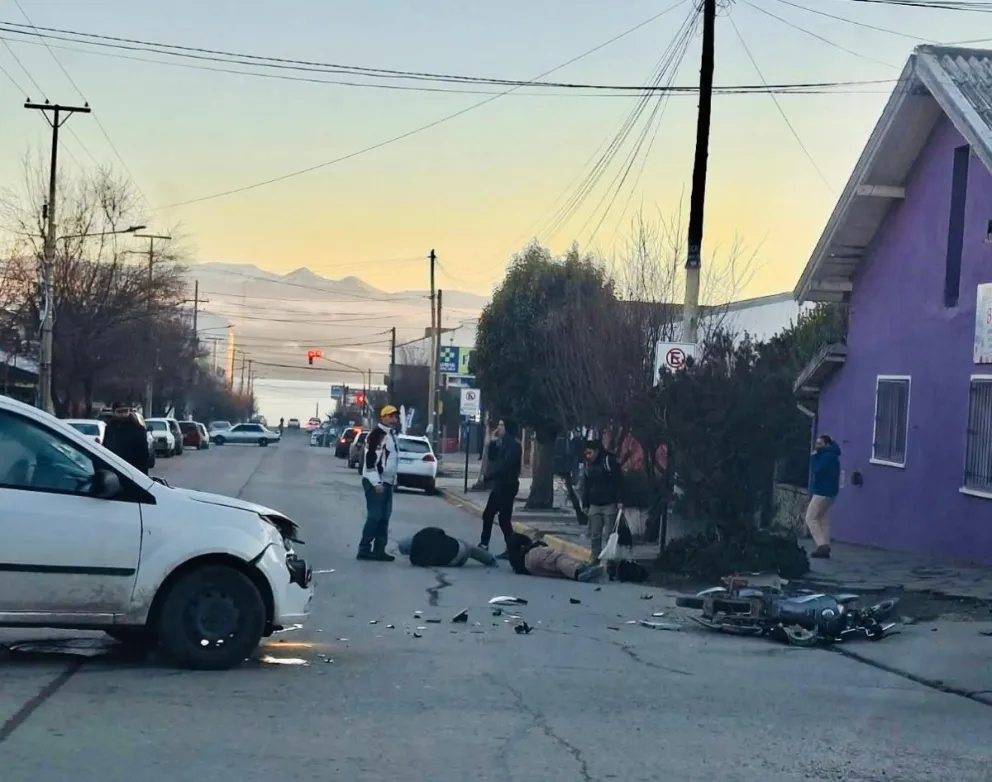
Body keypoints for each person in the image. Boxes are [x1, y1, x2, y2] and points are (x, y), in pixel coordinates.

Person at [357, 404, 401, 562]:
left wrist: (393, 480)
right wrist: (376, 482)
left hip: (387, 482)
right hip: (375, 482)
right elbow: (370, 460)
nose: (393, 419)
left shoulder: (392, 435)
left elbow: (392, 459)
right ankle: (364, 549)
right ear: (383, 417)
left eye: (395, 416)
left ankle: (379, 550)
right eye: (390, 416)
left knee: (384, 518)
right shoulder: (376, 434)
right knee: (375, 517)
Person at [480, 417, 522, 558]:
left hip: (507, 486)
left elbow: (506, 466)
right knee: (497, 517)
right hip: (500, 485)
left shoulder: (514, 445)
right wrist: (491, 442)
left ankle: (507, 548)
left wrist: (489, 476)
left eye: (502, 425)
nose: (499, 428)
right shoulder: (503, 443)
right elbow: (493, 458)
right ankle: (507, 548)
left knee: (498, 517)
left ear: (508, 428)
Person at [581, 439, 623, 562]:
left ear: (596, 451)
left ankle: (609, 559)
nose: (588, 456)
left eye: (590, 453)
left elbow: (618, 481)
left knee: (609, 534)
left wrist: (620, 500)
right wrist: (585, 504)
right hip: (594, 504)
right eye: (586, 453)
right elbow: (586, 486)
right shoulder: (588, 465)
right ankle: (595, 558)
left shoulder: (609, 461)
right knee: (595, 534)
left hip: (609, 503)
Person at [506, 532, 605, 582]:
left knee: (555, 569)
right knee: (557, 559)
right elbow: (528, 541)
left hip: (530, 567)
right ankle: (579, 570)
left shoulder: (516, 561)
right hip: (533, 554)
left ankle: (581, 572)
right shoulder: (528, 547)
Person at [806, 434, 841, 559]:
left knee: (810, 518)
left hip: (822, 492)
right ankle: (825, 547)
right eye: (817, 443)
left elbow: (816, 470)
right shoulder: (833, 455)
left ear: (827, 444)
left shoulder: (825, 456)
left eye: (820, 443)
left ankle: (822, 546)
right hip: (831, 493)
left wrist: (814, 457)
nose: (817, 446)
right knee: (822, 519)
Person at [397, 526, 498, 568]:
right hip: (458, 549)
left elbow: (425, 563)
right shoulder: (424, 533)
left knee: (464, 549)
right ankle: (491, 560)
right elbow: (440, 531)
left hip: (453, 562)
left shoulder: (415, 559)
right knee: (469, 548)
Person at [102, 402, 150, 474]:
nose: (123, 414)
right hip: (114, 468)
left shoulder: (137, 428)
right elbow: (105, 448)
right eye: (120, 412)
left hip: (133, 470)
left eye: (125, 411)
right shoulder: (110, 428)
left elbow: (144, 453)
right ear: (114, 412)